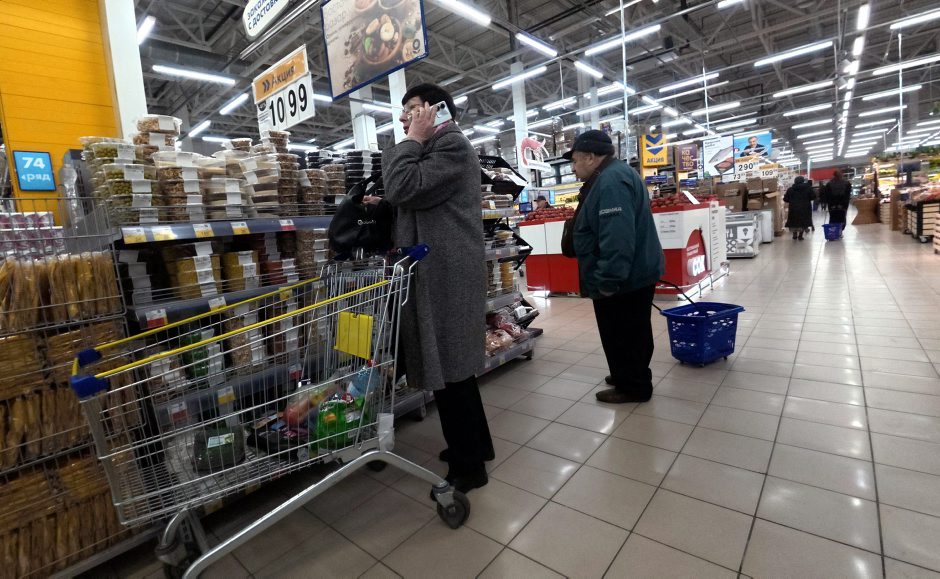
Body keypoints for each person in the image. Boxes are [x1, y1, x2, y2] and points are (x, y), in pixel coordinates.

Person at [381, 83, 493, 495]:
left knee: (450, 367)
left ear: (437, 111)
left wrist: (412, 139)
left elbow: (403, 187)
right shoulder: (436, 148)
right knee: (454, 367)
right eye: (404, 110)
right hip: (440, 270)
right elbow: (406, 192)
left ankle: (469, 468)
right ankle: (477, 446)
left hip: (447, 274)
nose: (404, 117)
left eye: (413, 108)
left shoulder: (451, 145)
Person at [565, 130, 665, 404]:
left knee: (624, 332)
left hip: (623, 278)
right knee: (631, 331)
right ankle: (626, 374)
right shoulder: (613, 175)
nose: (573, 168)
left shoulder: (610, 182)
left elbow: (617, 238)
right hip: (631, 273)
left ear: (590, 157)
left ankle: (634, 386)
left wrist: (607, 280)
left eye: (575, 160)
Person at [784, 176, 815, 240]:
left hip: (793, 208)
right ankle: (800, 235)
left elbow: (785, 199)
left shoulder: (790, 189)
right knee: (803, 221)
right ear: (803, 181)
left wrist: (792, 200)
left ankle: (794, 234)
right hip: (805, 207)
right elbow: (813, 197)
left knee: (794, 221)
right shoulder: (808, 188)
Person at [822, 169, 852, 234]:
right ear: (842, 175)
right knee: (842, 218)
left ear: (834, 175)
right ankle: (840, 231)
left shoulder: (829, 184)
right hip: (843, 205)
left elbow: (827, 196)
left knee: (833, 218)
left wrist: (831, 204)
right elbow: (847, 196)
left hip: (832, 205)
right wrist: (843, 204)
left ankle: (834, 232)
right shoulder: (847, 183)